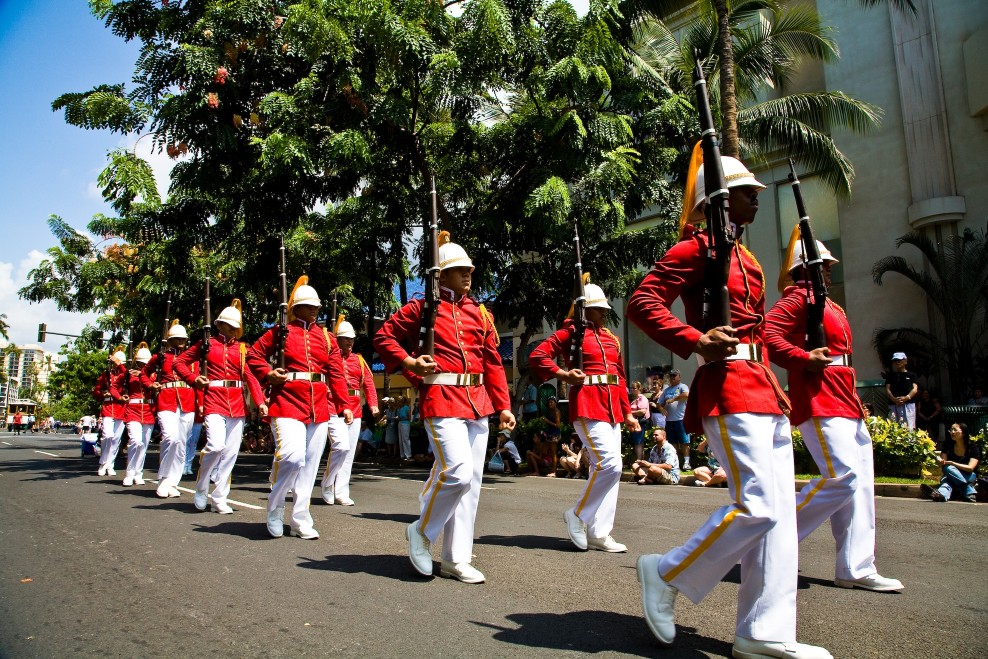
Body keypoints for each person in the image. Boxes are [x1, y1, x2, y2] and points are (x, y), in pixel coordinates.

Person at [627, 150, 832, 658]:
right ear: (717, 201)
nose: (757, 199)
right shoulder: (695, 250)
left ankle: (763, 632)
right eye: (747, 192)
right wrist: (694, 339)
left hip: (763, 386)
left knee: (780, 516)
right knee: (758, 505)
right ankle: (666, 570)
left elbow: (759, 329)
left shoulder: (748, 258)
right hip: (728, 385)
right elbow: (641, 301)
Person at [374, 231, 515, 583]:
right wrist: (409, 362)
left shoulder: (480, 314)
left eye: (470, 269)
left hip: (478, 402)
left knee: (472, 483)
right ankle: (421, 531)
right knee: (457, 473)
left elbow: (493, 362)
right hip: (440, 399)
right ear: (441, 275)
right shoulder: (422, 308)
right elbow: (382, 337)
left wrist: (503, 406)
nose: (468, 274)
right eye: (460, 269)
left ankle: (456, 558)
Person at [765, 237, 903, 593]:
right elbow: (768, 334)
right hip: (819, 396)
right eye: (823, 264)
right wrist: (802, 358)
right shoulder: (798, 299)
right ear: (804, 269)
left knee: (860, 486)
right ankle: (771, 538)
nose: (829, 269)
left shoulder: (831, 306)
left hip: (845, 398)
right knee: (842, 476)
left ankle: (856, 567)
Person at [529, 278, 639, 554]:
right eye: (598, 308)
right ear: (583, 310)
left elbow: (620, 377)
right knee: (610, 465)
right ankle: (578, 514)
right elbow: (539, 355)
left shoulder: (611, 338)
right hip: (589, 405)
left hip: (612, 407)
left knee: (608, 471)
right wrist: (563, 374)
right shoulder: (571, 334)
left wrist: (627, 412)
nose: (605, 312)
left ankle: (599, 533)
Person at [247, 277, 353, 540]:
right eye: (308, 306)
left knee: (309, 466)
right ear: (295, 309)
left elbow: (336, 374)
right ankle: (275, 508)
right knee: (292, 457)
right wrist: (268, 373)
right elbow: (252, 356)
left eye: (317, 306)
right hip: (286, 402)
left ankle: (300, 519)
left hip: (317, 406)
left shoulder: (327, 339)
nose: (314, 310)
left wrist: (344, 405)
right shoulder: (279, 332)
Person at [176, 299, 266, 514]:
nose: (233, 331)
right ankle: (201, 486)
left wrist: (260, 401)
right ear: (218, 325)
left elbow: (251, 377)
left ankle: (220, 497)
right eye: (229, 326)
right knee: (215, 446)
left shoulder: (244, 349)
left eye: (236, 327)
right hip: (213, 400)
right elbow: (178, 363)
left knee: (230, 454)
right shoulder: (206, 344)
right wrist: (193, 378)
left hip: (236, 403)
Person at [321, 317, 378, 505]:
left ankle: (341, 491)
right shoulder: (329, 358)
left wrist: (373, 405)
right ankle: (328, 483)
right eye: (346, 338)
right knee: (340, 446)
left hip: (355, 409)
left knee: (349, 452)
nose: (350, 342)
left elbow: (368, 383)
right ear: (336, 339)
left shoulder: (359, 360)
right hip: (333, 406)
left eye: (352, 339)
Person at [143, 320, 196, 498]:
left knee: (181, 443)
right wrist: (151, 385)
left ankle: (173, 481)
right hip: (166, 400)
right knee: (170, 437)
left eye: (183, 338)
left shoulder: (193, 358)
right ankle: (164, 477)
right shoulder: (161, 357)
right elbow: (143, 374)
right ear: (170, 340)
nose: (181, 341)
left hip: (187, 401)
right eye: (177, 338)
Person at [123, 343, 156, 487]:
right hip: (133, 410)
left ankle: (138, 473)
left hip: (148, 410)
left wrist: (144, 375)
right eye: (141, 363)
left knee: (144, 445)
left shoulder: (153, 375)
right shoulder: (129, 374)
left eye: (145, 363)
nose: (143, 365)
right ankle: (130, 473)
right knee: (135, 441)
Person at [94, 349, 128, 477]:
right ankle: (103, 462)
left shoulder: (124, 375)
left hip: (120, 408)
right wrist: (102, 393)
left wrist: (119, 364)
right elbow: (96, 391)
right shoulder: (106, 375)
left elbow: (126, 373)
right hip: (108, 407)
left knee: (116, 439)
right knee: (107, 436)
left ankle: (110, 465)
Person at [929, 422, 981, 502]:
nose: (952, 432)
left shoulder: (973, 447)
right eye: (951, 430)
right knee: (947, 471)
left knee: (948, 475)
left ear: (963, 433)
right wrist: (940, 462)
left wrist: (952, 463)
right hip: (951, 474)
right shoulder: (947, 445)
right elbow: (944, 463)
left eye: (955, 430)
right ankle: (967, 492)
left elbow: (970, 468)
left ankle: (941, 493)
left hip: (968, 475)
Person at [658, 370, 691, 470]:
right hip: (669, 421)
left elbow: (686, 395)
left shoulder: (682, 386)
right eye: (671, 376)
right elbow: (659, 403)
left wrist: (673, 399)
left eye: (674, 376)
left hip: (681, 419)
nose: (672, 378)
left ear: (679, 377)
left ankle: (686, 463)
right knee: (673, 443)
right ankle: (676, 462)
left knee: (684, 442)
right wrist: (661, 409)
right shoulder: (666, 390)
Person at [884, 352, 918, 429]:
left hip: (908, 404)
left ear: (905, 361)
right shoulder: (890, 376)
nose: (897, 362)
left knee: (909, 427)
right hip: (893, 404)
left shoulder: (912, 375)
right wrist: (893, 399)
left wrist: (907, 397)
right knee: (894, 427)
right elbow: (887, 388)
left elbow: (915, 388)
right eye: (895, 360)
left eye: (899, 360)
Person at [629, 381, 649, 461]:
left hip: (640, 423)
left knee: (639, 442)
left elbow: (642, 412)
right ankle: (640, 459)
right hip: (633, 423)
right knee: (636, 442)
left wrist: (630, 412)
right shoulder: (633, 399)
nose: (632, 390)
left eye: (634, 388)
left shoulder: (642, 399)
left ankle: (639, 460)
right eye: (631, 388)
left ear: (639, 389)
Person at [397, 395, 413, 462]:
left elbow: (409, 417)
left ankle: (408, 455)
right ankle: (402, 455)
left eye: (399, 401)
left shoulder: (406, 407)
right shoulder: (399, 408)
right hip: (400, 423)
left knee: (405, 439)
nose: (398, 402)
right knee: (400, 440)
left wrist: (401, 418)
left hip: (405, 424)